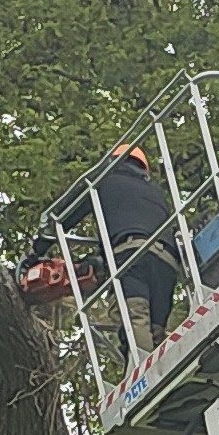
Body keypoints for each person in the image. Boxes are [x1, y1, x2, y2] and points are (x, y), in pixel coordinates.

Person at [77, 142, 183, 346]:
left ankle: (141, 367)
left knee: (134, 320)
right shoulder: (156, 194)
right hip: (167, 263)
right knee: (156, 331)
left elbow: (65, 217)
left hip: (132, 257)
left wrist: (38, 249)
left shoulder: (103, 184)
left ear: (111, 162)